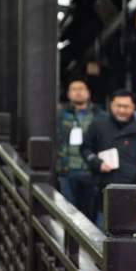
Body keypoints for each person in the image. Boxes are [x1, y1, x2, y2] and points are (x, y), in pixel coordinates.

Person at [81, 90, 136, 223]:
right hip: (104, 185)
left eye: (126, 106)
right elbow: (85, 148)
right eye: (119, 106)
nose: (122, 110)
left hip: (132, 187)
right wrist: (96, 162)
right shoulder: (98, 125)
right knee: (101, 231)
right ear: (111, 105)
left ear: (134, 107)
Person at [57, 79, 100, 220]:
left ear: (88, 93)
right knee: (68, 211)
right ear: (68, 94)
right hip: (66, 168)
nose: (78, 92)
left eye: (81, 89)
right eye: (74, 89)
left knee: (88, 213)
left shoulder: (98, 115)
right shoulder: (60, 115)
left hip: (89, 169)